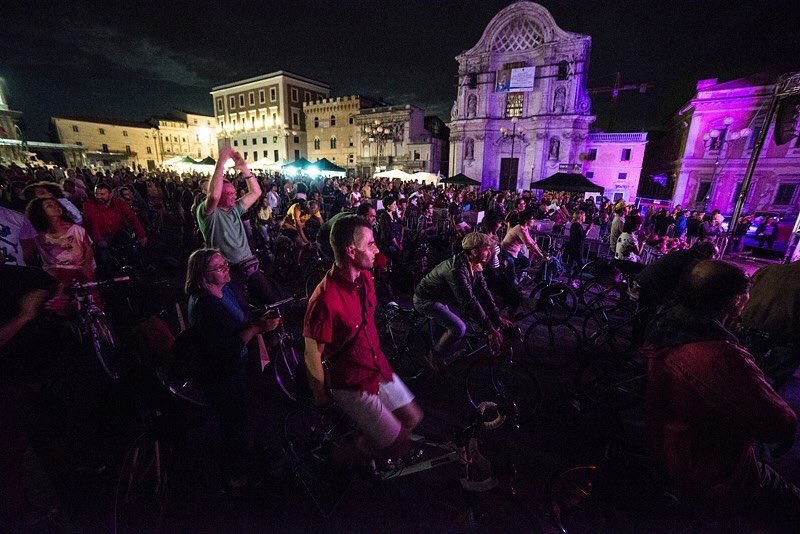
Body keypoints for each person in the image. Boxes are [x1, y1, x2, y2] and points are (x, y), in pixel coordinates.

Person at [643, 260, 800, 519]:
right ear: (735, 301)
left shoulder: (666, 326)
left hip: (667, 443)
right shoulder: (720, 355)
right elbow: (778, 420)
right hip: (711, 465)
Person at [303, 215, 423, 459]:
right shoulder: (325, 300)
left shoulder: (364, 276)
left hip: (375, 366)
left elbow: (383, 257)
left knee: (412, 417)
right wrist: (321, 397)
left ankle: (373, 442)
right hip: (352, 382)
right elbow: (312, 352)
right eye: (370, 243)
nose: (375, 248)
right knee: (398, 444)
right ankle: (343, 454)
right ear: (350, 251)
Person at [184, 248, 279, 487]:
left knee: (240, 412)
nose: (226, 269)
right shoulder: (204, 305)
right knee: (230, 419)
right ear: (202, 276)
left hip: (237, 363)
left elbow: (243, 317)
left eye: (225, 263)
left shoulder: (226, 290)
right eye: (218, 267)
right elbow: (224, 346)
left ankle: (244, 448)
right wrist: (257, 329)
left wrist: (260, 319)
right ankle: (233, 474)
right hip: (218, 369)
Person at [414, 233, 513, 368]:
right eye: (486, 249)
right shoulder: (457, 270)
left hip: (441, 299)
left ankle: (442, 357)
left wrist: (497, 317)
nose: (489, 252)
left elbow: (484, 293)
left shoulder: (474, 266)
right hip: (426, 300)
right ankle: (434, 356)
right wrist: (489, 328)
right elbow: (469, 301)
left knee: (451, 330)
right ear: (474, 252)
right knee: (459, 327)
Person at [196, 147, 281, 306]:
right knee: (241, 308)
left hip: (248, 264)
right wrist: (221, 161)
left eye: (234, 193)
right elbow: (213, 196)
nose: (234, 195)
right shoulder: (207, 213)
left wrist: (244, 168)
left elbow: (256, 192)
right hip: (227, 270)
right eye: (229, 193)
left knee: (271, 300)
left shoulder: (234, 208)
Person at [25, 197, 97, 315]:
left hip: (82, 271)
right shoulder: (38, 237)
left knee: (93, 303)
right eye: (49, 205)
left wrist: (86, 265)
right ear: (40, 213)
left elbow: (88, 249)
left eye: (56, 204)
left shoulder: (76, 230)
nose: (56, 207)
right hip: (57, 276)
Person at [741, 260, 800, 387]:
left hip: (748, 327)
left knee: (742, 369)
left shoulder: (768, 270)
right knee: (771, 379)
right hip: (785, 338)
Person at [82, 183, 147, 278]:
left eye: (102, 194)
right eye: (97, 194)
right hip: (100, 234)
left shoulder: (118, 203)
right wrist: (99, 240)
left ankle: (135, 270)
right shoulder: (89, 205)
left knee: (133, 247)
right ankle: (111, 279)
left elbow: (132, 218)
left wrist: (141, 235)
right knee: (105, 258)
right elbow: (93, 223)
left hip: (116, 231)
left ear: (110, 194)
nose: (98, 197)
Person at [500, 208, 545, 285]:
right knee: (511, 272)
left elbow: (532, 242)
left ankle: (517, 280)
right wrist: (541, 256)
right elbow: (529, 245)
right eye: (532, 219)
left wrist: (541, 252)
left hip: (515, 252)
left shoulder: (525, 228)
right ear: (526, 220)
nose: (533, 221)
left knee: (526, 262)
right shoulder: (520, 229)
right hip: (506, 252)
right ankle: (513, 285)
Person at [378, 194, 404, 263]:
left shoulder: (394, 214)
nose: (396, 206)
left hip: (396, 239)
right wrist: (398, 245)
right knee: (396, 253)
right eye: (394, 204)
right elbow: (389, 234)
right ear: (388, 206)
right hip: (388, 243)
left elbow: (401, 224)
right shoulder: (384, 217)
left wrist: (400, 242)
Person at [566, 210, 587, 283]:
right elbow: (582, 236)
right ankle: (572, 279)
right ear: (580, 217)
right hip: (577, 248)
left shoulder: (575, 225)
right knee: (581, 265)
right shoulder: (576, 225)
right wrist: (589, 229)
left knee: (571, 264)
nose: (585, 217)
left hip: (574, 247)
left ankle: (570, 281)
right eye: (584, 215)